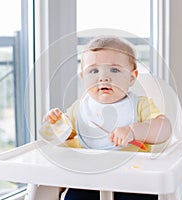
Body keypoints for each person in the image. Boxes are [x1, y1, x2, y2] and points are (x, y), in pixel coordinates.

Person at [42, 35, 172, 200]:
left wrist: (135, 130)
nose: (103, 77)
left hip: (134, 181)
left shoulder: (140, 105)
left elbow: (164, 128)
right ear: (83, 77)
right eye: (94, 70)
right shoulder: (79, 108)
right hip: (87, 180)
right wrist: (55, 124)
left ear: (132, 77)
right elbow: (69, 136)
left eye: (115, 70)